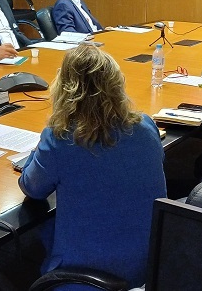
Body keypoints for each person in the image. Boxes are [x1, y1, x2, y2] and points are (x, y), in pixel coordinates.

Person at [19, 44, 166, 290]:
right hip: (148, 262)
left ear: (64, 90)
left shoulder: (60, 139)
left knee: (9, 251)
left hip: (88, 273)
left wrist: (37, 151)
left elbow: (32, 189)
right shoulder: (146, 126)